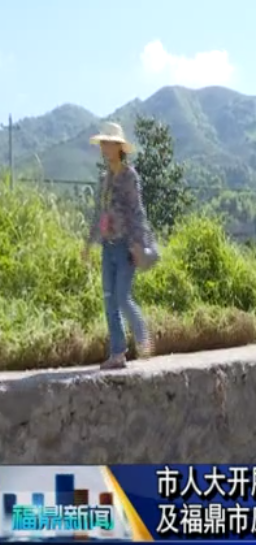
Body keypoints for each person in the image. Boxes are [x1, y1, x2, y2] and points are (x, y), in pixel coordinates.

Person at [82, 122, 153, 370]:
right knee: (109, 300)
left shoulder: (129, 176)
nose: (103, 146)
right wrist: (88, 245)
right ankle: (117, 353)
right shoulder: (104, 179)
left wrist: (138, 243)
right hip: (107, 246)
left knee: (122, 296)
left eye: (107, 142)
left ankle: (143, 335)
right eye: (102, 142)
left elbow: (137, 212)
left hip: (125, 246)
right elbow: (97, 215)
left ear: (118, 147)